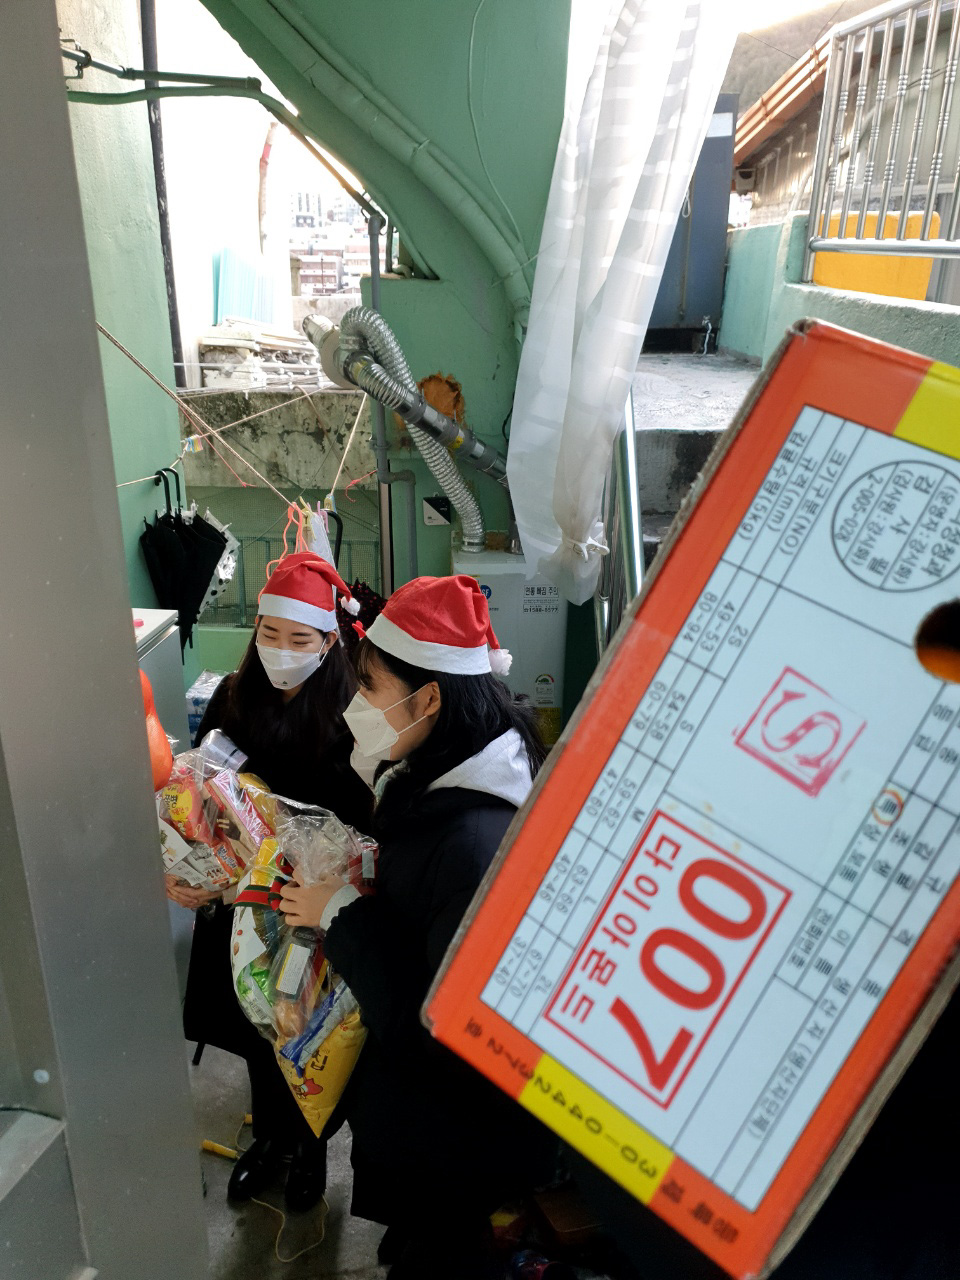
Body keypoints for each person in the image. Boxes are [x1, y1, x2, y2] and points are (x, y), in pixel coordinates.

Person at [279, 575, 556, 1278]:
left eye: (370, 687)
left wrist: (341, 913)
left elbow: (437, 1027)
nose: (356, 705)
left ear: (429, 698)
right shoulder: (442, 774)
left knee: (443, 1256)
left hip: (457, 1136)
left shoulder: (474, 842)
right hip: (430, 1125)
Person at [166, 552, 372, 1212]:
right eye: (269, 633)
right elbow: (199, 793)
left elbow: (362, 821)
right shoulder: (233, 697)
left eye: (299, 638)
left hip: (308, 903)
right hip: (238, 901)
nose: (281, 649)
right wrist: (189, 871)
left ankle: (311, 1149)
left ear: (329, 641)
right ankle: (271, 1140)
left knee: (307, 1029)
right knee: (257, 1025)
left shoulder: (354, 715)